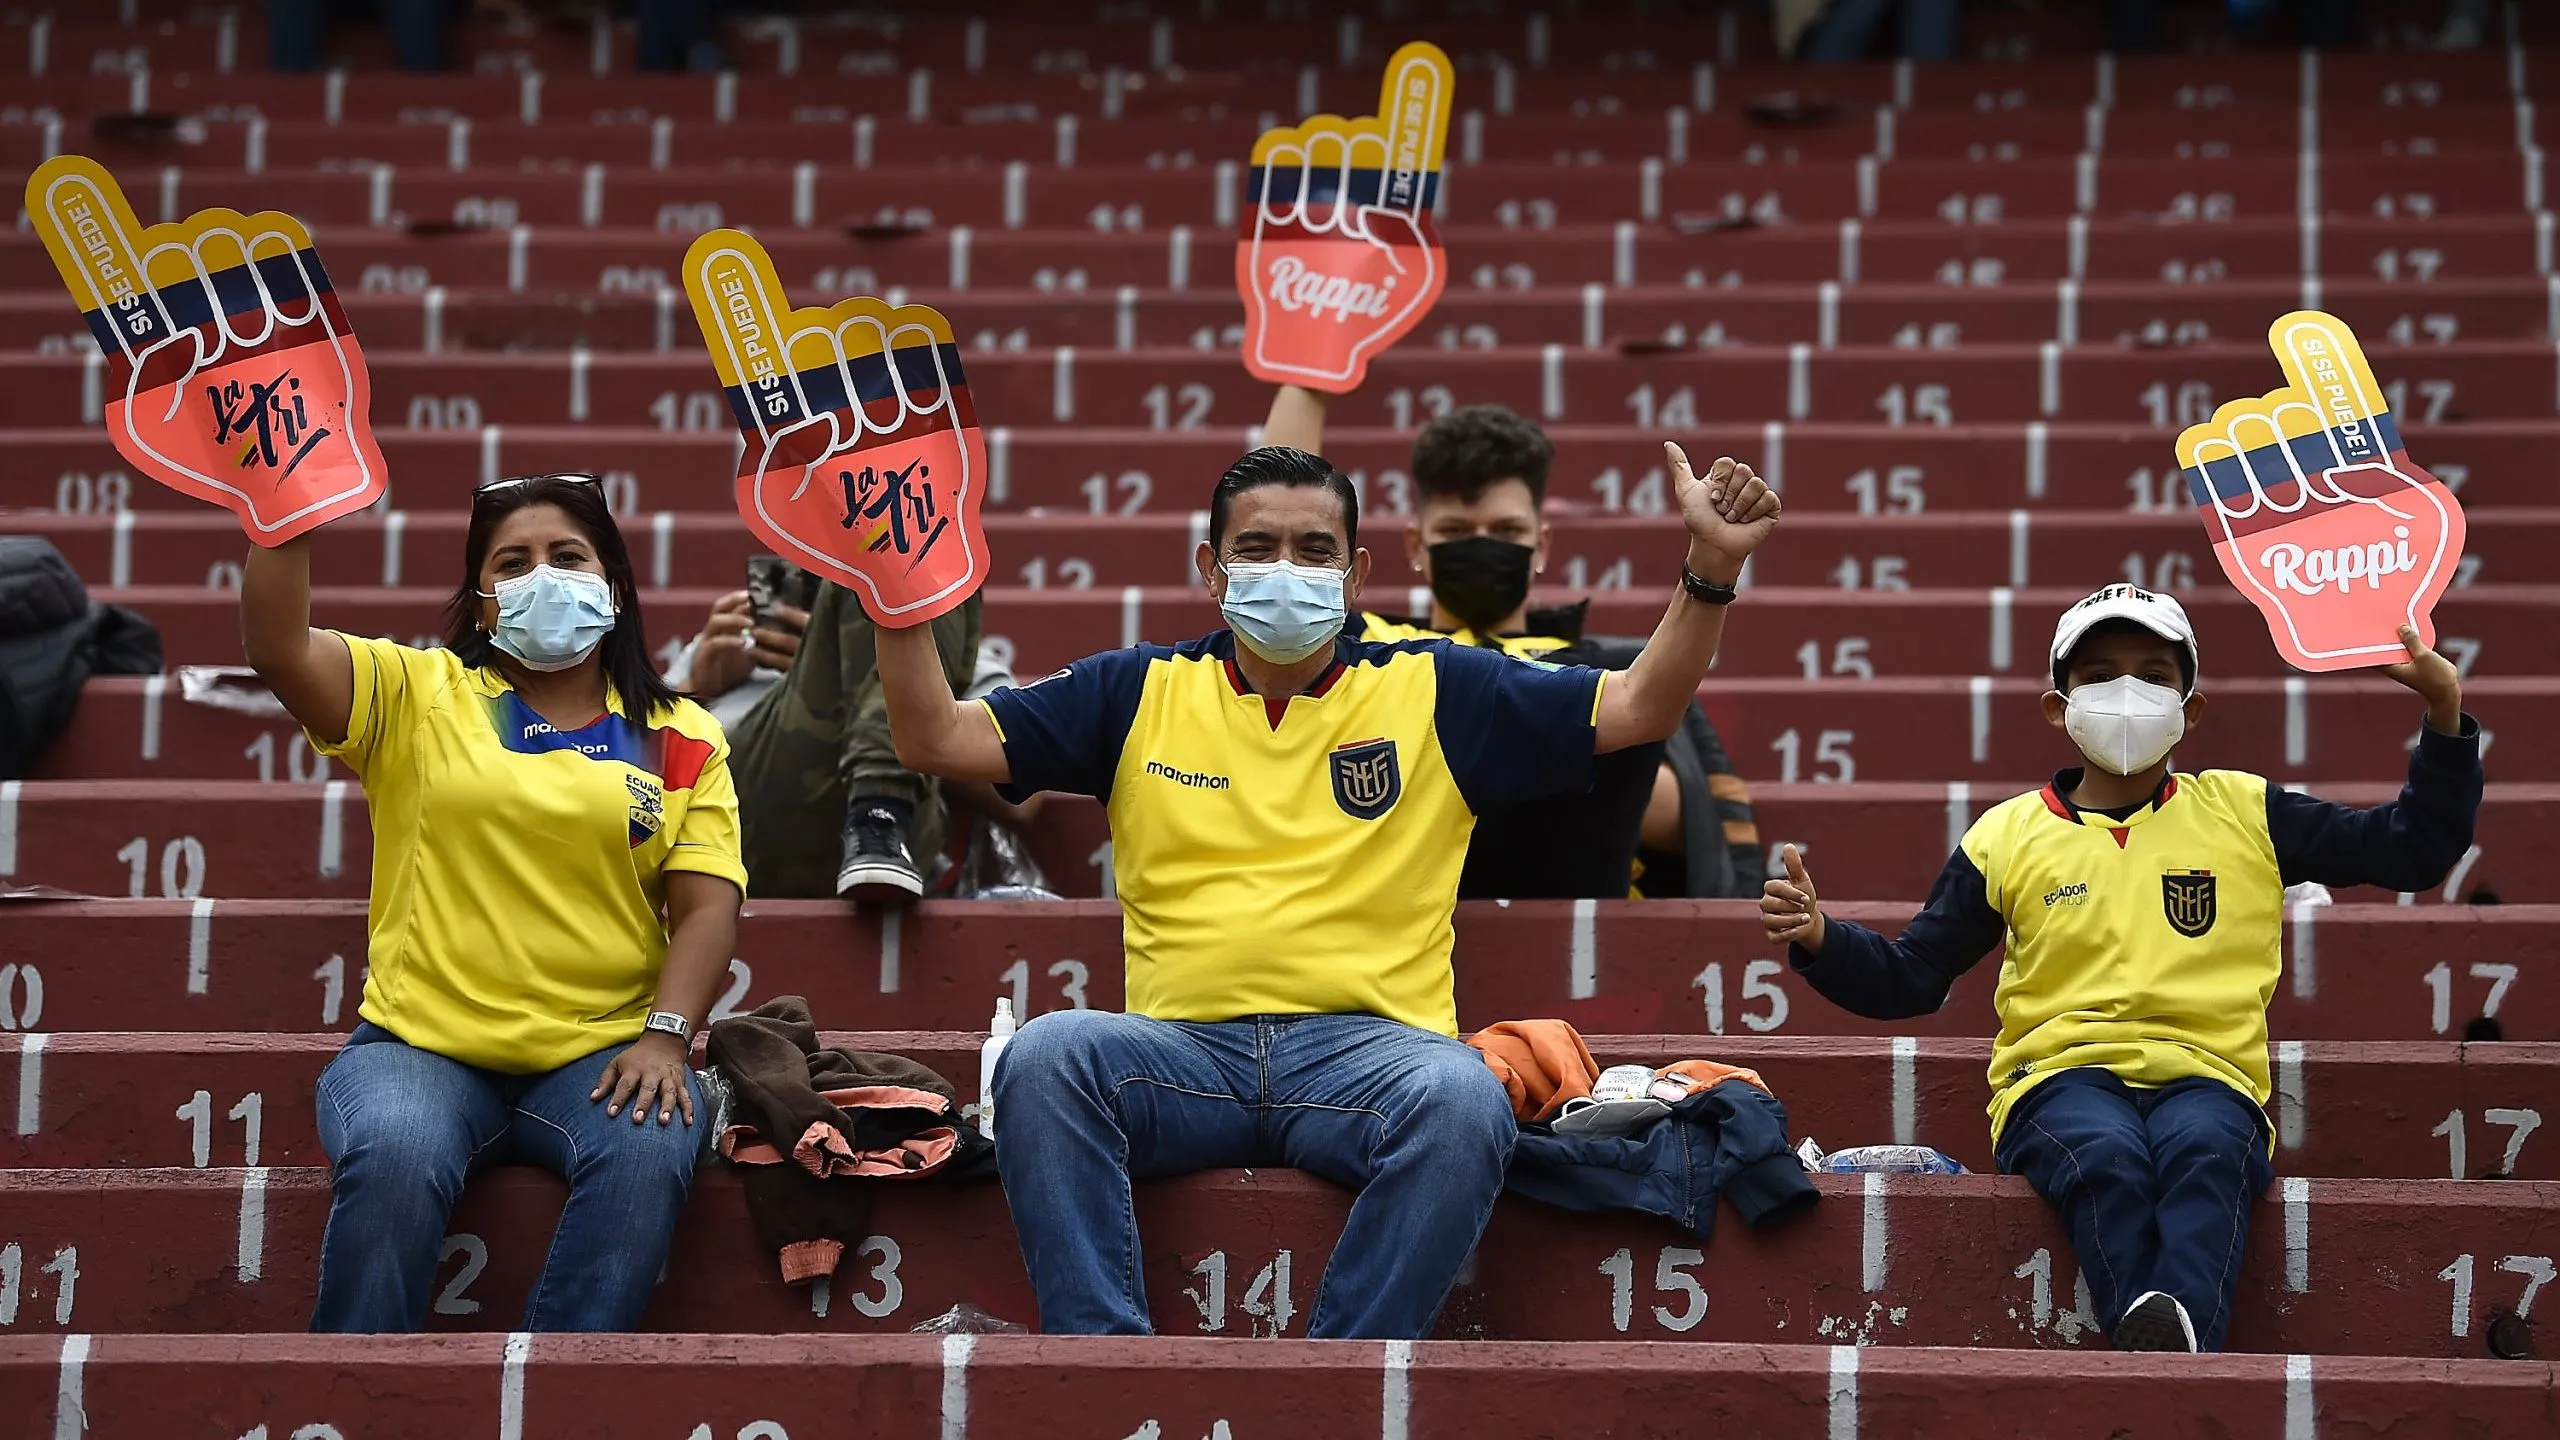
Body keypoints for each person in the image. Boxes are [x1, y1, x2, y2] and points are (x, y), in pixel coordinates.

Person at [877, 441, 1780, 1338]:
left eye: (1315, 552)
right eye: (1258, 548)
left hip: (1375, 1060)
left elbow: (1638, 709)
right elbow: (934, 740)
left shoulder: (1436, 686)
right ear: (1211, 567)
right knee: (1047, 1056)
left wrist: (1710, 570)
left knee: (1465, 1096)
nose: (1285, 571)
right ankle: (1107, 1372)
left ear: (1355, 577)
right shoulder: (1135, 689)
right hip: (1181, 1056)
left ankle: (1337, 1386)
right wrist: (893, 595)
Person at [1762, 584, 2481, 1352]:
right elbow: (1914, 975)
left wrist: (2443, 715)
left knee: (2210, 1153)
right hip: (2057, 1082)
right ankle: (2166, 1345)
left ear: (2190, 709)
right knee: (2105, 1157)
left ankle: (2157, 1344)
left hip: (2210, 1078)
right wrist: (1821, 938)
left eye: (2154, 674)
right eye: (2100, 675)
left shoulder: (2246, 812)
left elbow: (2413, 847)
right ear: (2057, 706)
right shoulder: (2007, 836)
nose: (2127, 693)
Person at [242, 473, 747, 1333]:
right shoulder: (414, 695)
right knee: (395, 1153)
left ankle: (557, 1398)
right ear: (480, 604)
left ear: (613, 586)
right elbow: (281, 649)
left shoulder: (683, 734)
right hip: (420, 1048)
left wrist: (668, 1037)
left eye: (566, 556)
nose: (542, 577)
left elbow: (705, 907)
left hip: (600, 1054)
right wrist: (281, 507)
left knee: (655, 1141)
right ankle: (351, 1401)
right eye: (511, 564)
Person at [1263, 386, 1763, 900]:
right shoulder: (1360, 646)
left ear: (1540, 543)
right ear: (1416, 543)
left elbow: (1694, 824)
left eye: (1505, 530)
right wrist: (1312, 374)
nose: (1482, 545)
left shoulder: (1624, 667)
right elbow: (1276, 527)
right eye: (1457, 530)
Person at [721, 587, 984, 900]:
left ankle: (879, 814)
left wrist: (852, 664)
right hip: (724, 797)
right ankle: (879, 821)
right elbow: (648, 756)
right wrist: (696, 685)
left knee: (902, 556)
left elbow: (1021, 800)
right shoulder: (724, 639)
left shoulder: (937, 627)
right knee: (888, 557)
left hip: (888, 813)